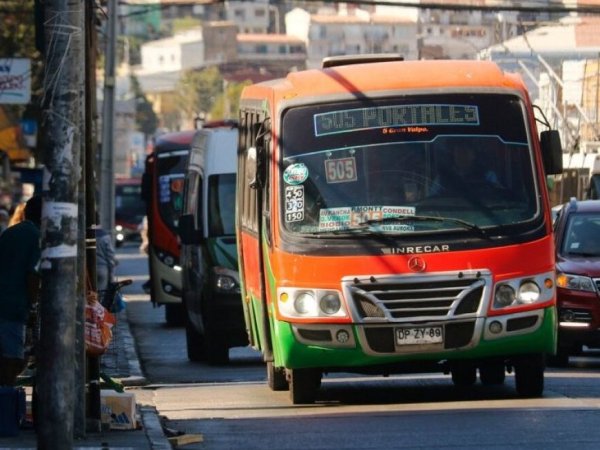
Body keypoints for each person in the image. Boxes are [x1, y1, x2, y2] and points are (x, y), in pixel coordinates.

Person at [0, 195, 42, 386]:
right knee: (14, 359)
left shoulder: (10, 232)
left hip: (6, 301)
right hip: (14, 306)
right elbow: (32, 274)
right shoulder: (37, 237)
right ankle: (6, 401)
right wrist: (33, 306)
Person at [430, 144, 500, 196]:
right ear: (454, 155)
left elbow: (497, 197)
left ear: (473, 155)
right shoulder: (442, 178)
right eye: (458, 152)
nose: (461, 156)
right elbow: (431, 200)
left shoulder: (488, 175)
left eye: (465, 152)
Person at [95, 222, 118, 296]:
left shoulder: (84, 234)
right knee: (101, 294)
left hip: (87, 269)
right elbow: (110, 256)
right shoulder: (104, 236)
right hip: (102, 268)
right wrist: (111, 277)